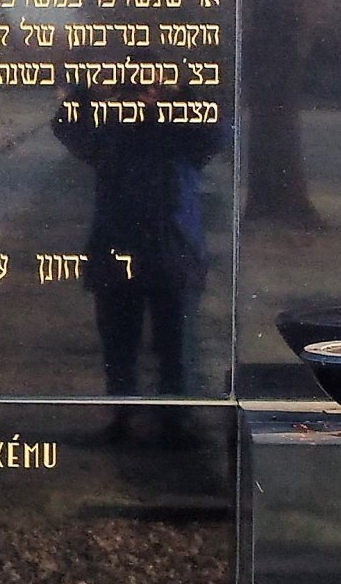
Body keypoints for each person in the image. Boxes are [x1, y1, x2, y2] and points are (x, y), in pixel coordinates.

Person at [51, 74, 225, 395]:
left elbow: (217, 134)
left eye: (152, 84)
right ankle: (122, 418)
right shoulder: (111, 134)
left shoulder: (180, 131)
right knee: (119, 353)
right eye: (136, 84)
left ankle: (176, 423)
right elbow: (65, 126)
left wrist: (183, 94)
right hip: (122, 253)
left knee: (176, 352)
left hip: (172, 252)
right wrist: (91, 90)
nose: (144, 92)